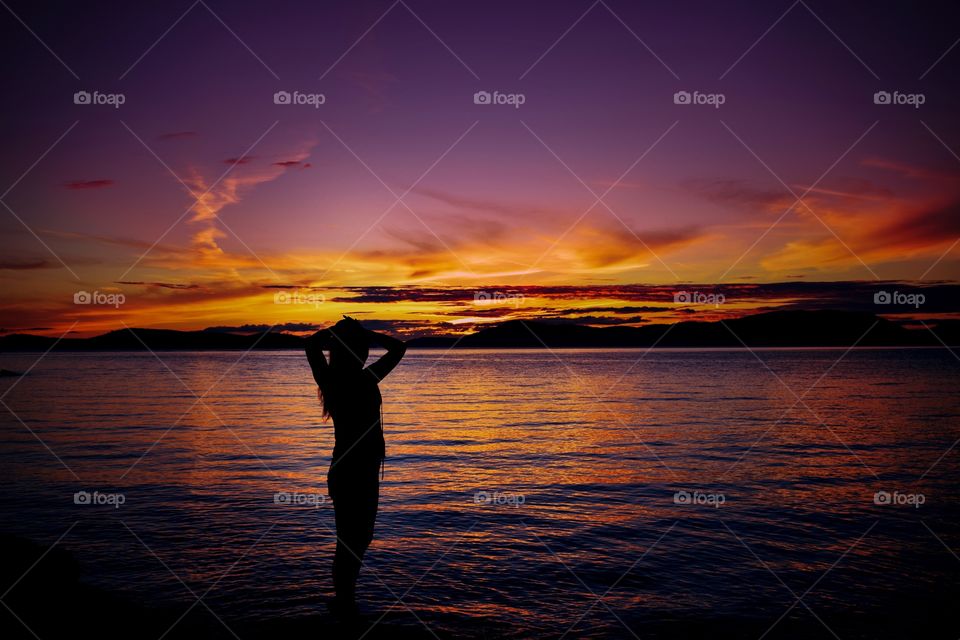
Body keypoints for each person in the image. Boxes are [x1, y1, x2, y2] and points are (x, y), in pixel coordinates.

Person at [304, 316, 407, 617]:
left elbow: (311, 344)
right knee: (353, 539)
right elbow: (398, 348)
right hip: (356, 471)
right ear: (358, 351)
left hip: (354, 469)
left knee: (352, 539)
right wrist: (361, 333)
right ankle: (344, 601)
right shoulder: (360, 379)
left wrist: (342, 334)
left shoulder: (333, 379)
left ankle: (344, 600)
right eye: (361, 347)